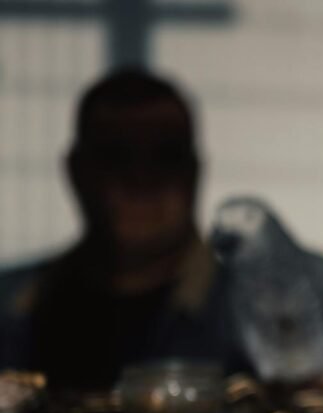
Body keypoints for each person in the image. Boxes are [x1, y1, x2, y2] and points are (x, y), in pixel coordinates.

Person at [0, 69, 250, 390]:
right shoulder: (12, 306)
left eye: (165, 156)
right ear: (76, 171)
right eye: (114, 156)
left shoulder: (265, 318)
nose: (140, 179)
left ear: (194, 172)